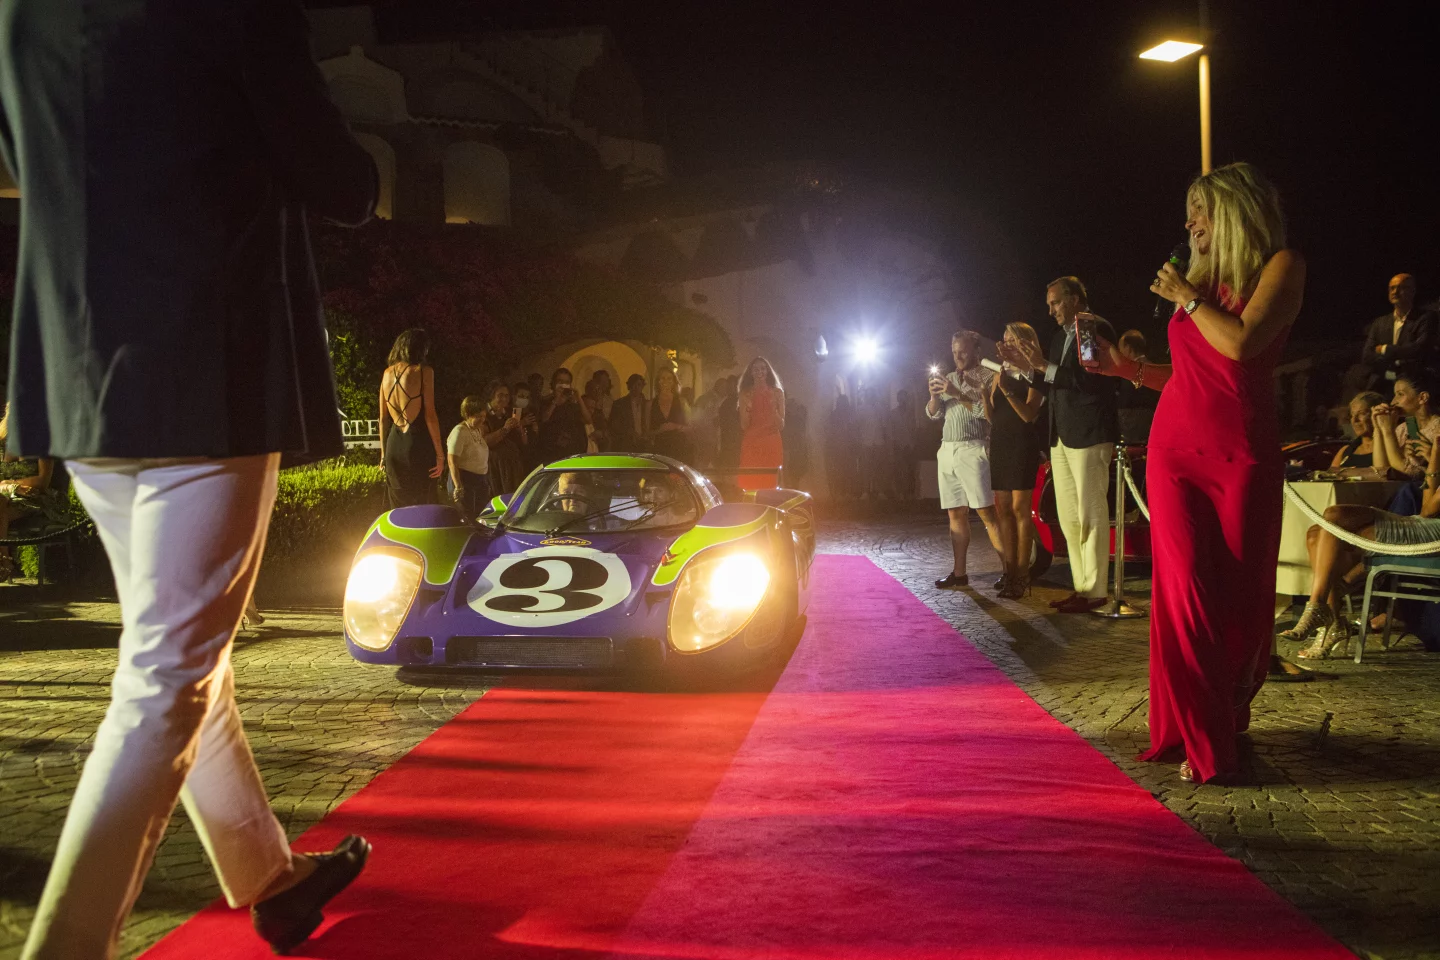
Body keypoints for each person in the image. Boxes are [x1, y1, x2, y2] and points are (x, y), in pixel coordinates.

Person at [0, 1, 377, 954]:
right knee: (167, 672)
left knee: (173, 648)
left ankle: (271, 877)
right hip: (204, 359)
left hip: (75, 364)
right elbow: (338, 178)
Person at [1084, 162, 1306, 784]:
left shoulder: (1281, 268)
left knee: (1238, 599)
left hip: (1241, 456)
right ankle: (1202, 739)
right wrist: (1123, 370)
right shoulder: (1200, 284)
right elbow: (1188, 376)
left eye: (1199, 212)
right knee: (1185, 598)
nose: (1189, 225)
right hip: (1175, 454)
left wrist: (1188, 297)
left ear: (1234, 212)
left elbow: (1241, 345)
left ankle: (1225, 711)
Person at [998, 277, 1119, 613]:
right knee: (1069, 516)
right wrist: (1027, 368)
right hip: (1061, 436)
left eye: (1055, 303)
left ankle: (1095, 590)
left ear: (1076, 299)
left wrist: (1042, 366)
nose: (1050, 311)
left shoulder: (1093, 327)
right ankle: (1082, 588)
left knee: (1090, 511)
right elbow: (1051, 381)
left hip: (1089, 433)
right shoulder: (1058, 337)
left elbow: (1089, 379)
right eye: (1048, 304)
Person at [1284, 430, 1440, 658]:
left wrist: (1435, 455)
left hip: (1431, 536)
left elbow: (1427, 511)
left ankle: (1320, 609)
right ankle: (1333, 620)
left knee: (1334, 515)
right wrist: (1435, 454)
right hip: (1423, 525)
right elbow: (1428, 507)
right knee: (1316, 534)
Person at [927, 331, 1006, 588]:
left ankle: (1010, 571)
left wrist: (956, 392)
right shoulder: (947, 378)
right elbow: (932, 415)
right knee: (955, 513)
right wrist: (935, 396)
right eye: (954, 352)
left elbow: (986, 413)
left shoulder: (988, 376)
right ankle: (959, 573)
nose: (958, 357)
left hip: (973, 448)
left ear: (975, 352)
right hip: (947, 449)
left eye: (962, 352)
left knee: (986, 512)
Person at [988, 323, 1047, 598]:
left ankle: (1022, 576)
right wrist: (985, 394)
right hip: (1000, 444)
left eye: (1012, 339)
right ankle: (1009, 571)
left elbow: (1028, 415)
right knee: (1003, 511)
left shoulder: (1038, 372)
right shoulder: (1001, 371)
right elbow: (992, 416)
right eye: (1004, 338)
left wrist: (1008, 390)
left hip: (1023, 444)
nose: (1007, 343)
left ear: (1027, 342)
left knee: (1021, 510)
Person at [380, 329, 444, 507]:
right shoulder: (423, 371)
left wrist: (384, 454)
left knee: (397, 507)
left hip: (394, 444)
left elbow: (383, 419)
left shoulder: (386, 374)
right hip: (417, 442)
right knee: (424, 502)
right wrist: (440, 455)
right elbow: (430, 415)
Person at [1362, 274, 1437, 389]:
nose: (1395, 292)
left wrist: (1384, 349)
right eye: (1392, 288)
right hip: (1384, 380)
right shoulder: (1379, 323)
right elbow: (1367, 356)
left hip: (1413, 382)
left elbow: (1420, 349)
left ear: (1413, 291)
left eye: (1401, 288)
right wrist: (1392, 370)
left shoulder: (1426, 318)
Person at [1370, 370, 1440, 479]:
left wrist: (1388, 431)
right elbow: (1381, 471)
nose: (1393, 402)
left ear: (1422, 398)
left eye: (1400, 394)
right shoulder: (1403, 428)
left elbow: (1409, 471)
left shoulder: (1437, 429)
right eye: (1395, 395)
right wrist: (1378, 428)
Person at [738, 357, 786, 489]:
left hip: (771, 441)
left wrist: (773, 409)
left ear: (768, 371)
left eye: (763, 368)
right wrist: (748, 407)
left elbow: (781, 425)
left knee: (770, 480)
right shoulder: (745, 394)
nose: (760, 372)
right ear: (751, 372)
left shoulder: (777, 393)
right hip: (752, 441)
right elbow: (744, 425)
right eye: (756, 369)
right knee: (750, 480)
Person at [446, 394, 493, 517]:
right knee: (468, 516)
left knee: (480, 515)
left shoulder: (477, 429)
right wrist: (458, 486)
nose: (482, 420)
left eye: (484, 416)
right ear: (467, 414)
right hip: (466, 480)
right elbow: (452, 461)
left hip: (480, 480)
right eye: (478, 417)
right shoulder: (459, 431)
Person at [485, 381, 533, 496]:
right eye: (500, 395)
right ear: (492, 395)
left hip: (512, 466)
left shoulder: (510, 413)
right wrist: (505, 428)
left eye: (506, 396)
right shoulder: (484, 415)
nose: (504, 399)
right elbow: (485, 442)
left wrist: (520, 429)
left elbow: (523, 441)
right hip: (495, 467)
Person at [539, 367, 592, 463]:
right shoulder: (546, 402)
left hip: (573, 453)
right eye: (560, 381)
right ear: (554, 383)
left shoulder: (572, 404)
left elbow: (588, 420)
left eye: (566, 382)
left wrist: (578, 397)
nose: (563, 385)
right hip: (553, 454)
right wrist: (556, 400)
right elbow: (544, 419)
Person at [1115, 330, 1159, 444]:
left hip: (1132, 428)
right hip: (1154, 425)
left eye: (1121, 349)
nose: (1120, 353)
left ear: (1128, 348)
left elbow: (1125, 401)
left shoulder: (1130, 371)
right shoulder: (1156, 368)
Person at [649, 366, 694, 464]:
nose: (666, 381)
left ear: (674, 381)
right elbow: (646, 432)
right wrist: (660, 430)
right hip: (660, 450)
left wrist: (676, 426)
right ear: (658, 381)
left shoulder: (682, 402)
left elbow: (691, 428)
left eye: (669, 378)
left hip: (679, 449)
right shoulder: (651, 403)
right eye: (662, 378)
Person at [826, 393, 859, 500]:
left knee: (849, 470)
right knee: (840, 471)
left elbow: (854, 429)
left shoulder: (850, 414)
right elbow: (831, 431)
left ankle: (849, 492)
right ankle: (842, 492)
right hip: (839, 447)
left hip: (848, 446)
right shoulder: (835, 415)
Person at [889, 390, 919, 500]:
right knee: (899, 469)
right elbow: (891, 430)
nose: (902, 399)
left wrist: (913, 444)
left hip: (909, 445)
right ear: (898, 399)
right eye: (900, 397)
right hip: (898, 445)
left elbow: (914, 428)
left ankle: (910, 493)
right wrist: (894, 444)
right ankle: (899, 492)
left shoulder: (911, 412)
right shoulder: (893, 413)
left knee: (911, 470)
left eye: (904, 397)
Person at [610, 374, 650, 452]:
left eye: (639, 385)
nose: (635, 387)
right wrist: (629, 432)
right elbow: (614, 424)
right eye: (633, 384)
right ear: (629, 386)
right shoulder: (619, 404)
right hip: (625, 444)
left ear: (642, 386)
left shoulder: (647, 404)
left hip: (644, 444)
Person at [511, 382, 541, 474]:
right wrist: (522, 422)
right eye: (521, 396)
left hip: (530, 455)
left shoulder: (531, 412)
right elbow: (513, 427)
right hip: (516, 456)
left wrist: (535, 430)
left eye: (527, 397)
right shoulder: (513, 411)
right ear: (514, 396)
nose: (524, 399)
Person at [716, 375, 743, 474]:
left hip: (736, 441)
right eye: (728, 386)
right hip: (728, 441)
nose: (729, 388)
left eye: (732, 386)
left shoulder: (739, 401)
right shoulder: (726, 402)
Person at [782, 398, 811, 490]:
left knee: (793, 474)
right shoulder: (796, 419)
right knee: (792, 474)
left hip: (794, 450)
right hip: (793, 449)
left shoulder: (793, 419)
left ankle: (793, 491)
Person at [583, 373, 611, 452]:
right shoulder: (582, 403)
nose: (597, 392)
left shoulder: (601, 409)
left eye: (599, 390)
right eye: (595, 390)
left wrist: (602, 433)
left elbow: (606, 427)